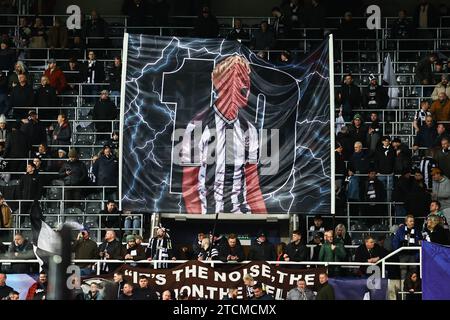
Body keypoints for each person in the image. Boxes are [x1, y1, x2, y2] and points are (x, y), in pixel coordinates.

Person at [181, 55, 266, 214]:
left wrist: (262, 219)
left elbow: (253, 184)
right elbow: (189, 184)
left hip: (241, 214)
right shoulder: (198, 126)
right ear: (221, 83)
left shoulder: (249, 129)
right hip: (208, 213)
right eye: (238, 78)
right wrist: (200, 221)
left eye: (246, 79)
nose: (245, 85)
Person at [393, 215, 421, 280]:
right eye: (410, 221)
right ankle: (403, 288)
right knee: (403, 272)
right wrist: (398, 252)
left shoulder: (417, 230)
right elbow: (395, 242)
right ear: (406, 222)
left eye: (413, 221)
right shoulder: (400, 230)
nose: (412, 222)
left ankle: (413, 288)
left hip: (413, 254)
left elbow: (420, 242)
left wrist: (417, 254)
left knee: (413, 272)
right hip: (403, 254)